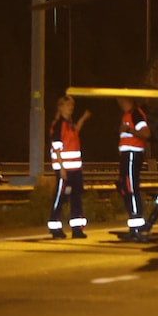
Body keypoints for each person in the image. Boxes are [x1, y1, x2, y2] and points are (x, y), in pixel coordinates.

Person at [49, 95, 91, 239]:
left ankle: (77, 229)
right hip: (65, 169)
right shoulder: (58, 124)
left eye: (71, 106)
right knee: (60, 198)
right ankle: (55, 228)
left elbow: (75, 133)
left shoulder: (69, 123)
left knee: (76, 198)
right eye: (67, 106)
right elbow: (56, 147)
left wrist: (83, 119)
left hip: (75, 169)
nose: (70, 108)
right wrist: (61, 168)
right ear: (60, 108)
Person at [117, 97, 151, 237]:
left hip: (132, 155)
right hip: (126, 156)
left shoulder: (136, 114)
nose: (119, 103)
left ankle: (137, 223)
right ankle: (134, 221)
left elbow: (146, 133)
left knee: (131, 188)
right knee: (125, 187)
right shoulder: (127, 115)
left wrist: (129, 130)